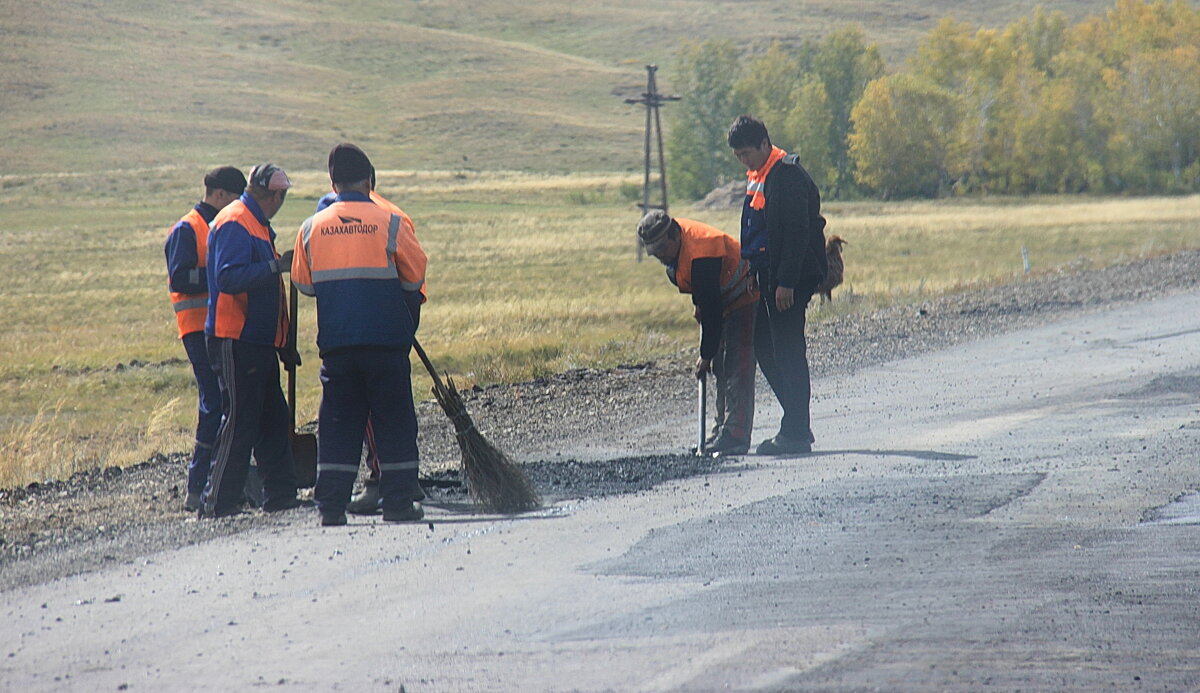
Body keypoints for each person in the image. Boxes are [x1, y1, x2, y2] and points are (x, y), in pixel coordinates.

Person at [292, 143, 427, 527]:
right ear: (370, 180)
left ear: (332, 183)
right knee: (394, 421)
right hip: (386, 343)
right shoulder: (391, 222)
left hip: (338, 346)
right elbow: (415, 278)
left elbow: (305, 285)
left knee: (337, 423)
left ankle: (331, 508)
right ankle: (398, 504)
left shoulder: (311, 228)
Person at [201, 163, 305, 518]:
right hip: (236, 339)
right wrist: (277, 267)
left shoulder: (257, 224)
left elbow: (267, 290)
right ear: (277, 195)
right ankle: (217, 503)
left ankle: (280, 495)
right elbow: (228, 278)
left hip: (258, 342)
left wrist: (284, 342)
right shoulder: (236, 221)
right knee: (241, 420)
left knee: (273, 419)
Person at [727, 115, 827, 455]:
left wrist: (786, 282)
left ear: (764, 144)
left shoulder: (787, 176)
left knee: (787, 350)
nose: (743, 161)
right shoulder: (762, 174)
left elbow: (797, 234)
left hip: (789, 278)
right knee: (767, 347)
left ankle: (796, 432)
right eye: (738, 155)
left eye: (746, 153)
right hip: (768, 274)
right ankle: (796, 421)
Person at [637, 210, 758, 456]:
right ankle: (721, 429)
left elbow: (711, 309)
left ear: (674, 236)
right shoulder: (674, 255)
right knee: (720, 368)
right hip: (721, 297)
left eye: (662, 248)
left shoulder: (702, 251)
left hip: (745, 294)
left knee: (737, 364)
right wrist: (699, 304)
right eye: (654, 251)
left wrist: (705, 355)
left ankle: (736, 434)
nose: (659, 256)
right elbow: (703, 293)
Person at [164, 166, 245, 511]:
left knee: (224, 402)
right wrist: (220, 276)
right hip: (198, 329)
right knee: (214, 403)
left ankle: (218, 483)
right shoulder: (188, 229)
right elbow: (180, 277)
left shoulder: (218, 224)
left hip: (219, 327)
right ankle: (199, 487)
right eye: (236, 197)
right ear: (220, 194)